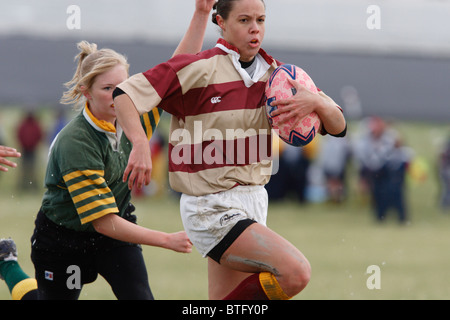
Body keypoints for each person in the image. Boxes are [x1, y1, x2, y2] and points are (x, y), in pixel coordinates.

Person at [114, 0, 347, 300]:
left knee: (225, 299)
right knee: (295, 271)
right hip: (210, 207)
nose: (255, 28)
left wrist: (317, 102)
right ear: (221, 22)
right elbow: (125, 94)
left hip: (253, 202)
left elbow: (339, 126)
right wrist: (140, 144)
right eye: (244, 20)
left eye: (261, 20)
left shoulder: (279, 78)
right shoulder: (199, 68)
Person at [0, 0, 218, 300]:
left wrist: (202, 13)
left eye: (124, 87)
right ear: (86, 92)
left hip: (116, 232)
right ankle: (8, 263)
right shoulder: (75, 142)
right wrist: (165, 239)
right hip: (64, 239)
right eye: (107, 89)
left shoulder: (135, 113)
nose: (119, 96)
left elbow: (175, 71)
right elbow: (102, 221)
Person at [16, 111, 43, 189]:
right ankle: (25, 185)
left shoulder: (28, 124)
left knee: (31, 168)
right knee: (26, 168)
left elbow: (39, 135)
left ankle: (31, 185)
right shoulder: (34, 124)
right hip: (26, 149)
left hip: (31, 149)